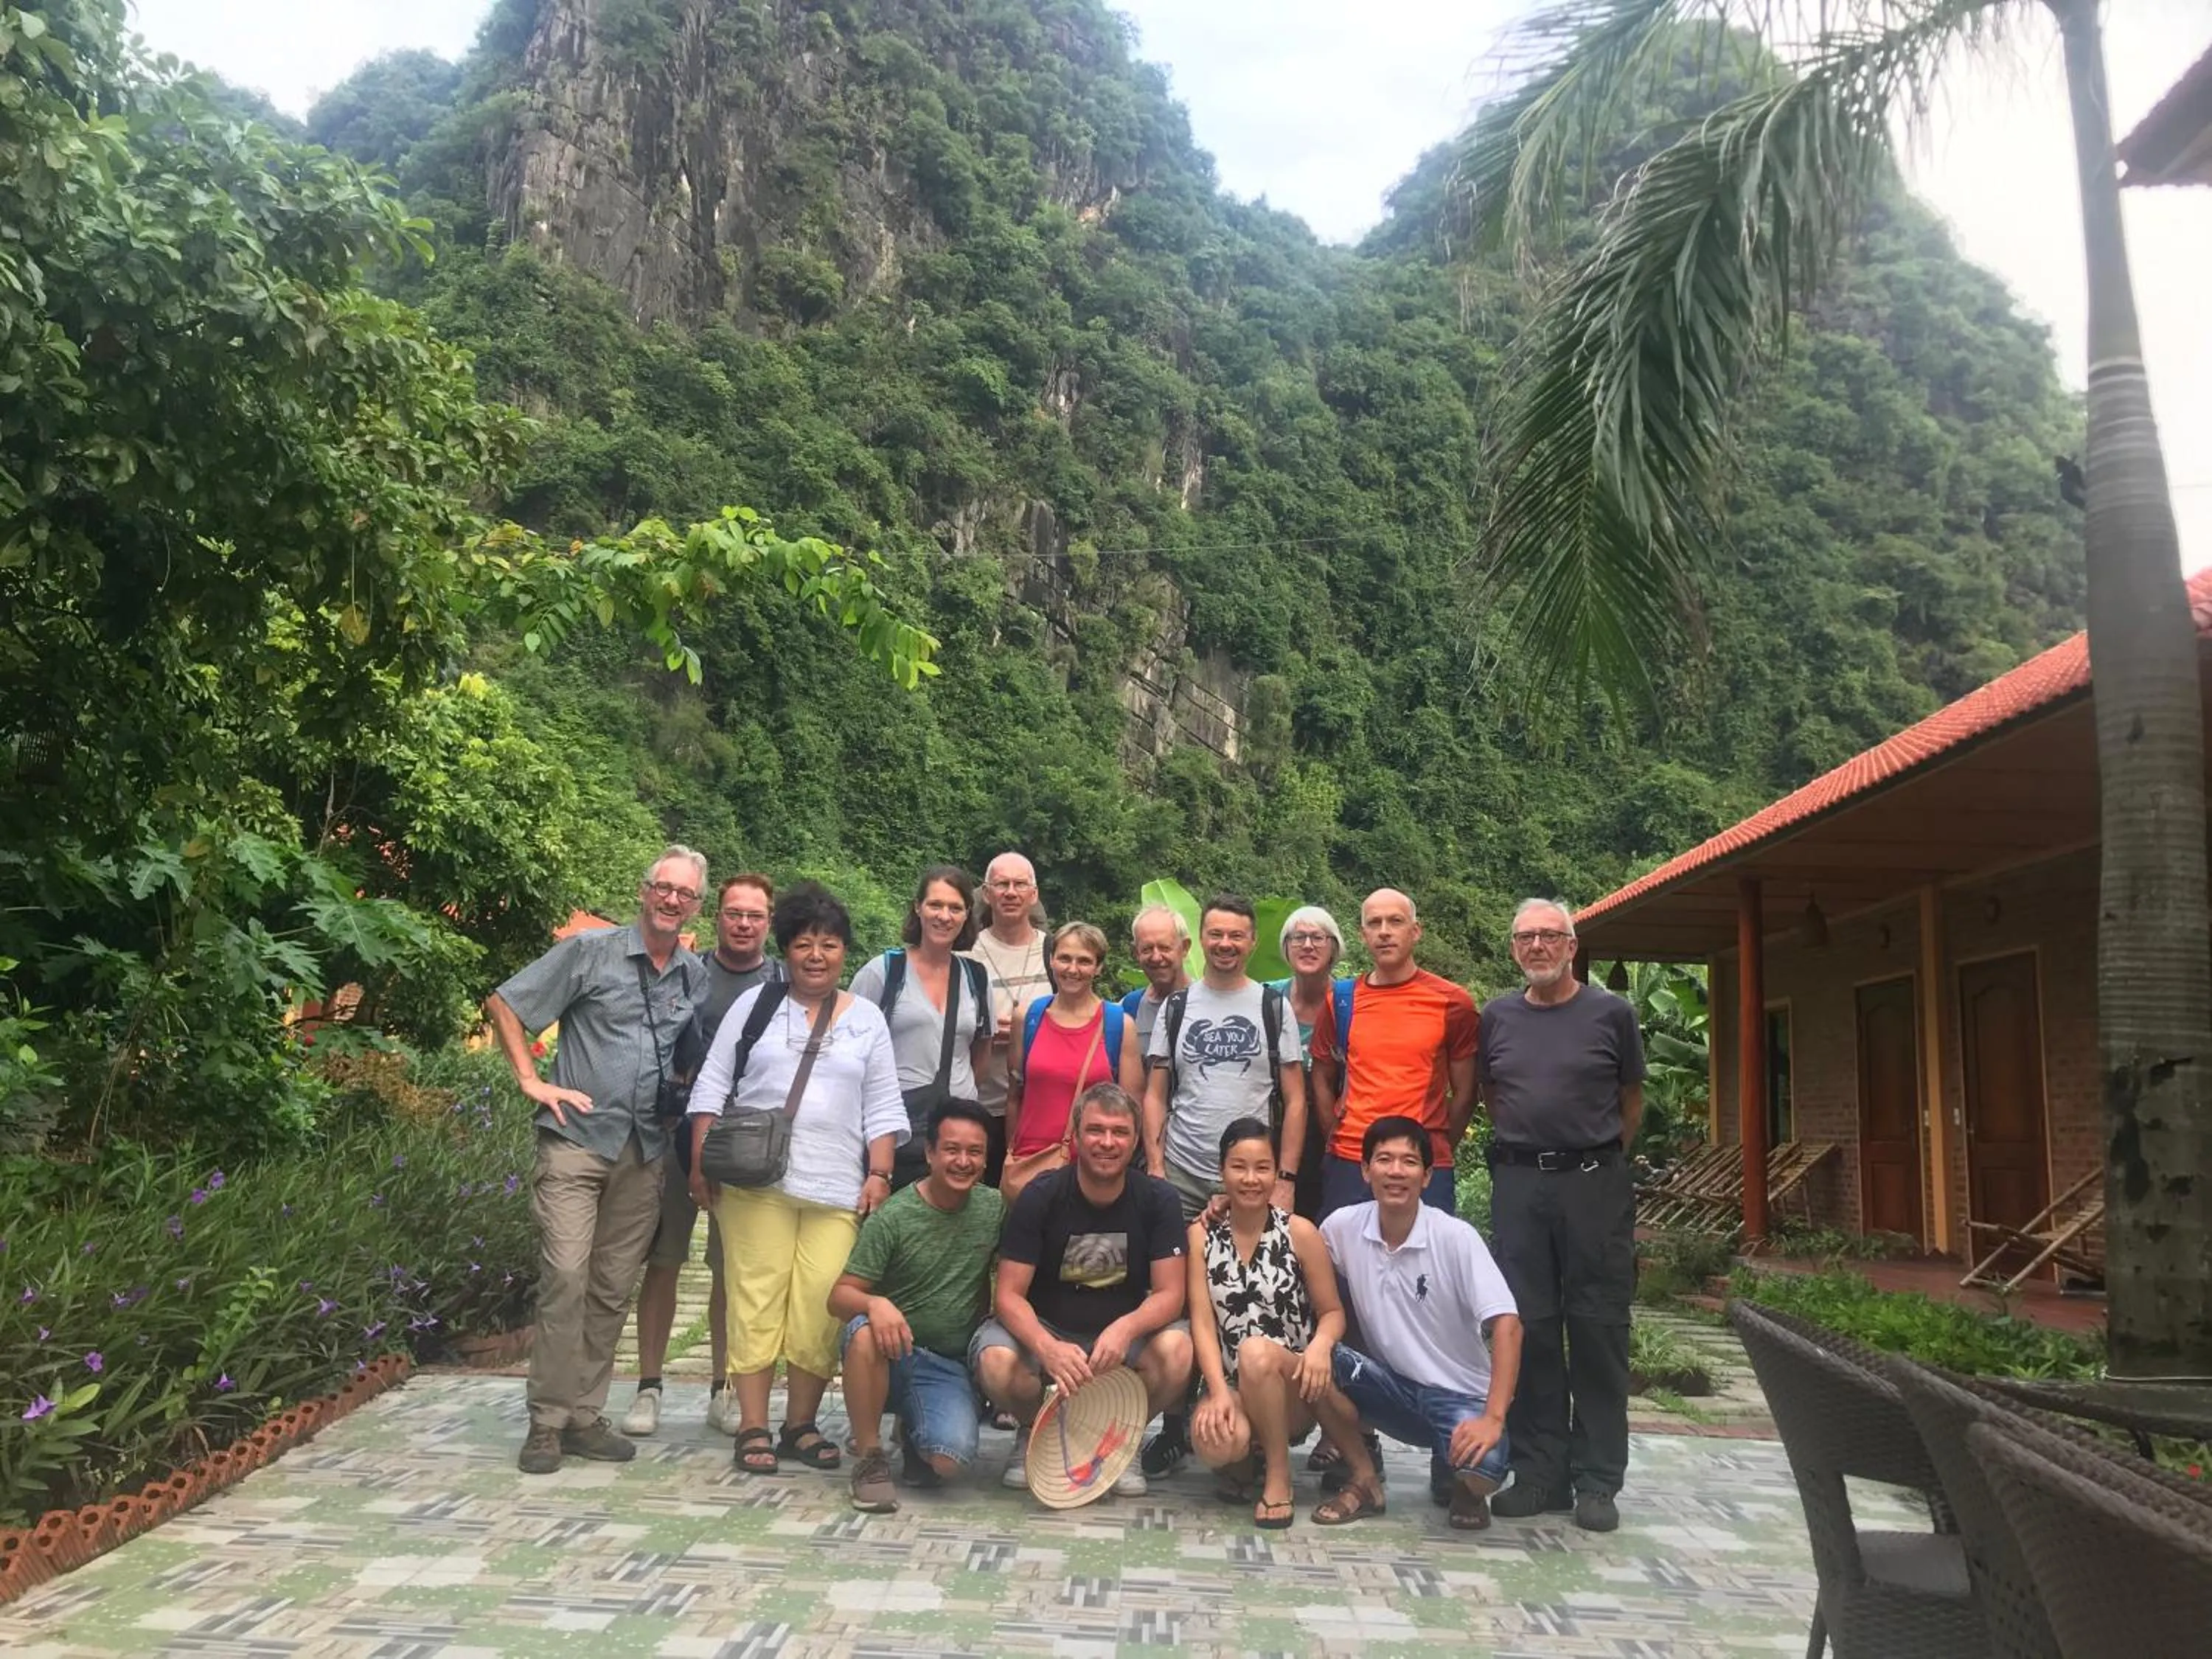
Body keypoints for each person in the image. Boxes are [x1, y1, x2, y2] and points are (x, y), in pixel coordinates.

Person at [487, 846, 709, 1475]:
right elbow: (506, 1002)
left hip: (644, 1152)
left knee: (611, 1289)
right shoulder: (590, 952)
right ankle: (546, 1421)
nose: (671, 900)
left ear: (697, 905)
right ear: (643, 891)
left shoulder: (692, 976)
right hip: (577, 1142)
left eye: (684, 894)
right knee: (566, 1276)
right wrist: (531, 1078)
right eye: (662, 888)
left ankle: (584, 1416)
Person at [686, 882, 906, 1475]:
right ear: (785, 949)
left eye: (829, 945)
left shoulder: (866, 1022)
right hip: (757, 1184)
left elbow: (883, 1105)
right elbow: (711, 1084)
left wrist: (880, 1172)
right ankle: (753, 1425)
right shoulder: (756, 1006)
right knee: (756, 1298)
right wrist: (698, 1161)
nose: (816, 956)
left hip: (837, 1188)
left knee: (820, 1307)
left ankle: (800, 1426)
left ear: (844, 953)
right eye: (804, 944)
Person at [1480, 898, 1646, 1533]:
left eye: (1551, 936)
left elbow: (1630, 1099)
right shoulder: (1497, 1017)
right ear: (1516, 948)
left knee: (1599, 1327)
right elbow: (1495, 1096)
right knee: (1530, 1327)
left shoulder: (1612, 1013)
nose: (1539, 946)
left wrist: (1594, 1157)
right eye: (1526, 937)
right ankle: (1540, 1473)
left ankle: (1598, 1480)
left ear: (1572, 947)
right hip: (1520, 1183)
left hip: (1593, 1184)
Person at [1136, 893, 1307, 1478]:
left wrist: (1284, 1178)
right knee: (1181, 1305)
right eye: (1216, 934)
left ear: (1252, 941)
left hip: (1255, 1180)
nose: (1226, 944)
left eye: (1237, 935)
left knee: (1256, 1303)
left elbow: (1296, 1097)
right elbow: (1155, 1093)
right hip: (1182, 1174)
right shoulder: (1176, 1007)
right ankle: (1176, 1426)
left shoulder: (1271, 1007)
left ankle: (1255, 1427)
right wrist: (1154, 1166)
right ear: (1200, 940)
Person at [619, 872, 782, 1439]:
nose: (743, 923)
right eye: (734, 913)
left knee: (729, 1269)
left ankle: (724, 1385)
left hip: (747, 1143)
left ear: (768, 923)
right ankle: (648, 1385)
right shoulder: (689, 972)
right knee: (663, 1260)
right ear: (716, 915)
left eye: (755, 916)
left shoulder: (782, 983)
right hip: (675, 1131)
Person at [972, 1082, 1194, 1498]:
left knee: (1179, 1351)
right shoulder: (1041, 1194)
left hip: (1120, 1336)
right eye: (1096, 1130)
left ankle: (1122, 1440)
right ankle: (1034, 1430)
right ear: (1075, 1135)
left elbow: (1170, 1294)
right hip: (1048, 1327)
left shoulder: (1158, 1198)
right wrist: (1046, 1346)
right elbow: (1008, 1295)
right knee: (997, 1361)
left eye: (1120, 1132)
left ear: (1135, 1140)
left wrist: (1126, 1328)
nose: (1107, 1142)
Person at [1321, 1116, 1523, 1532]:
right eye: (1384, 1160)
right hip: (1389, 1387)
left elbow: (1508, 1324)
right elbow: (1288, 1243)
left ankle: (1460, 1480)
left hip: (1458, 1395)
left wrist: (1494, 1418)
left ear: (1428, 1175)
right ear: (1365, 1170)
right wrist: (1228, 1205)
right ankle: (1363, 1474)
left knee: (1482, 1469)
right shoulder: (1343, 1227)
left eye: (1409, 1162)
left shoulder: (1455, 1237)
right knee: (1313, 1362)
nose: (1396, 1172)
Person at [1187, 1116, 1381, 1529]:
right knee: (1215, 1443)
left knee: (1256, 1352)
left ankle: (1278, 1476)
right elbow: (1202, 1323)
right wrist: (1219, 1392)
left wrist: (1318, 1348)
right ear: (1222, 1170)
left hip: (1297, 1387)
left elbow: (1332, 1312)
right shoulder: (1202, 1237)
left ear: (1276, 1172)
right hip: (1235, 1388)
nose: (1251, 1179)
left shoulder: (1299, 1233)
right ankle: (1245, 1464)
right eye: (1238, 1166)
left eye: (1262, 1167)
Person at [830, 1100, 1006, 1512]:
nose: (963, 1161)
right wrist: (875, 1304)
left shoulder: (993, 1208)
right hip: (888, 1352)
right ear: (929, 1153)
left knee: (949, 1461)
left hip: (947, 1362)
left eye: (975, 1152)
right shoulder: (894, 1217)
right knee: (864, 1333)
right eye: (951, 1149)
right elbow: (838, 1296)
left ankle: (914, 1434)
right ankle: (870, 1458)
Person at [1307, 888, 1476, 1218]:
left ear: (1415, 931)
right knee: (1342, 1267)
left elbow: (1466, 1091)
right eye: (1374, 923)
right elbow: (1322, 1077)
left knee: (1426, 1266)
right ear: (1363, 935)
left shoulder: (1452, 1002)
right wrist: (1338, 1135)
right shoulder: (1341, 1000)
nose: (1384, 931)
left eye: (1395, 921)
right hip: (1351, 1162)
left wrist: (1431, 1148)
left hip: (1423, 1164)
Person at [849, 866, 994, 1191]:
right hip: (893, 1130)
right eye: (935, 905)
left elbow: (981, 1052)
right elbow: (848, 1047)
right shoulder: (884, 973)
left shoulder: (976, 978)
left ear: (967, 914)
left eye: (955, 908)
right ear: (918, 907)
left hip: (958, 1133)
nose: (945, 916)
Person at [1001, 922, 1143, 1200]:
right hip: (1032, 1166)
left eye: (1084, 961)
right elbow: (1015, 1095)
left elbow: (1133, 1111)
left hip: (1094, 1172)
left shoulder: (1119, 1026)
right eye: (1064, 958)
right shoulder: (1028, 1018)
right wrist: (1012, 1152)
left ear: (1099, 967)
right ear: (1052, 960)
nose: (1073, 969)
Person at [967, 852, 1051, 1183]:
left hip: (1039, 1109)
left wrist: (1025, 1033)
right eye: (1002, 884)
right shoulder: (966, 952)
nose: (1011, 892)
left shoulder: (1056, 952)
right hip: (980, 1106)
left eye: (1020, 884)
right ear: (987, 894)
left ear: (1034, 894)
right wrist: (983, 1032)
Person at [1270, 905, 1346, 1222]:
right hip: (1274, 1132)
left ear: (1334, 947)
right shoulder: (1267, 1000)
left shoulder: (1349, 1001)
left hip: (1334, 1136)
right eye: (1298, 937)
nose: (1308, 945)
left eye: (1318, 937)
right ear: (1286, 948)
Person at [1121, 903, 1191, 1060]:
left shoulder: (1207, 1003)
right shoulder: (1129, 1009)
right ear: (1136, 953)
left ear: (1185, 948)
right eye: (1147, 949)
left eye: (1165, 948)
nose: (1156, 957)